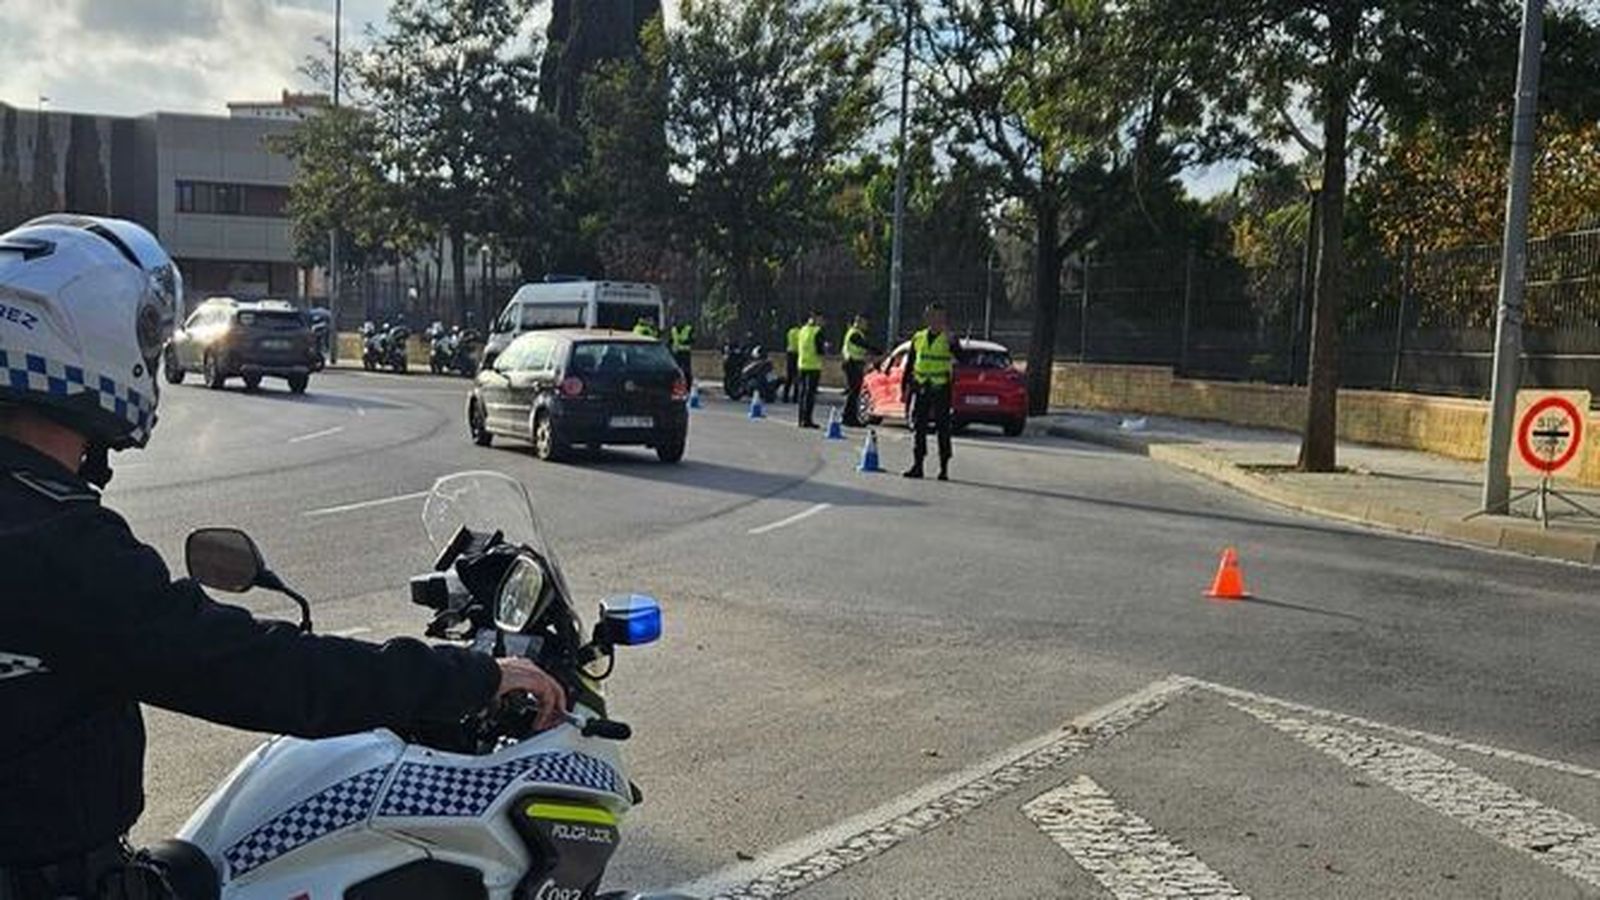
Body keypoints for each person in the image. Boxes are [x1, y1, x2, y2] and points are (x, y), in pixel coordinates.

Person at [0, 215, 567, 899]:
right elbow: (252, 670)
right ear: (87, 341)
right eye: (146, 336)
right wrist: (472, 678)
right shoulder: (55, 543)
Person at [901, 302, 960, 480]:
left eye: (938, 317)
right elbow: (910, 364)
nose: (934, 320)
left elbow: (962, 358)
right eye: (930, 316)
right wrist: (905, 387)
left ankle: (943, 467)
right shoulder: (918, 337)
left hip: (940, 387)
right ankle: (918, 465)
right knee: (919, 427)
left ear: (944, 319)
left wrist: (953, 344)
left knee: (943, 428)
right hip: (921, 386)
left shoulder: (949, 338)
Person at [840, 313, 882, 427]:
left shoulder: (854, 333)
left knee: (854, 392)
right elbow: (864, 345)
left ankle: (848, 417)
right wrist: (877, 350)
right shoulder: (854, 334)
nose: (866, 325)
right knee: (854, 392)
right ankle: (849, 418)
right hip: (852, 364)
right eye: (864, 322)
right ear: (858, 321)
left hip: (853, 364)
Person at [795, 312, 826, 429]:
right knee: (810, 395)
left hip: (801, 365)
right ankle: (807, 420)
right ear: (816, 319)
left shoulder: (803, 330)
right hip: (813, 366)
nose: (822, 322)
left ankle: (801, 419)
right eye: (821, 320)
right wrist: (825, 348)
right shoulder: (818, 331)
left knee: (802, 393)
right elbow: (820, 351)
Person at [668, 316, 695, 383]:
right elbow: (670, 341)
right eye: (678, 321)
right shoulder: (673, 330)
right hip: (676, 353)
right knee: (676, 370)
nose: (679, 322)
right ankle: (677, 383)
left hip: (685, 352)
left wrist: (687, 341)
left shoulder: (688, 329)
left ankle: (688, 384)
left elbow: (693, 340)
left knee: (687, 371)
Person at [782, 321, 801, 403]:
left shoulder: (790, 332)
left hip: (790, 353)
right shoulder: (800, 332)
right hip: (797, 354)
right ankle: (795, 398)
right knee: (796, 377)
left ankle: (785, 396)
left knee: (789, 376)